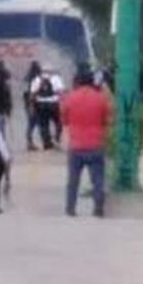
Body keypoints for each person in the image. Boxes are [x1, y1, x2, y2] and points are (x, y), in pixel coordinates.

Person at [60, 67, 112, 218]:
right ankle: (98, 208)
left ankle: (70, 208)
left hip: (76, 146)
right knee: (98, 180)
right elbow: (106, 120)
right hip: (96, 145)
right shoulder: (100, 98)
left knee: (73, 181)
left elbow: (64, 120)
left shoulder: (70, 98)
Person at [30, 64, 65, 150]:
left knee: (43, 125)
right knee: (58, 122)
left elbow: (32, 93)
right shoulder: (56, 78)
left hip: (40, 104)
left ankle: (47, 143)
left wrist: (32, 105)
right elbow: (61, 92)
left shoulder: (37, 79)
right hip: (53, 104)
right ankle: (57, 138)